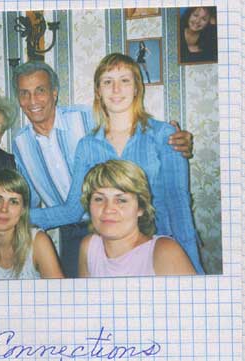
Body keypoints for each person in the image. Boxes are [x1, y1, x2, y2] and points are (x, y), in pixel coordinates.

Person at [12, 61, 193, 278]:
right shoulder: (21, 143)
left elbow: (178, 203)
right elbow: (34, 201)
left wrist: (178, 140)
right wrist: (11, 215)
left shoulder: (89, 118)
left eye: (40, 90)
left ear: (54, 92)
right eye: (24, 93)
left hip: (148, 232)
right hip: (82, 234)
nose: (33, 100)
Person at [78, 159, 197, 277]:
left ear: (140, 208)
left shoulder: (166, 252)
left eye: (121, 200)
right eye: (99, 199)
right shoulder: (90, 247)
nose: (108, 209)